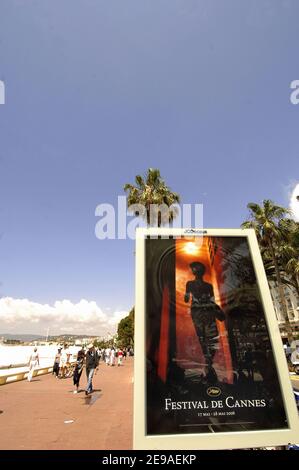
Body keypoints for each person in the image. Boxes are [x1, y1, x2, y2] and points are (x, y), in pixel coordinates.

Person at [184, 261, 225, 382]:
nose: (192, 271)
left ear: (195, 271)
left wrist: (190, 297)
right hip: (203, 311)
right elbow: (211, 300)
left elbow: (186, 300)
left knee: (204, 337)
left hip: (198, 311)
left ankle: (208, 364)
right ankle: (209, 363)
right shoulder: (207, 286)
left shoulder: (190, 284)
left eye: (193, 269)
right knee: (208, 337)